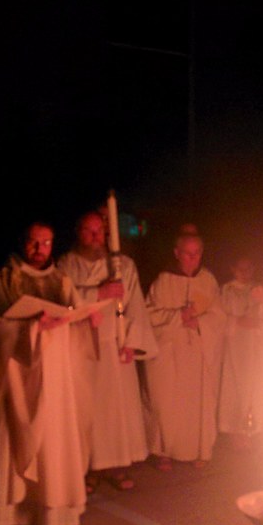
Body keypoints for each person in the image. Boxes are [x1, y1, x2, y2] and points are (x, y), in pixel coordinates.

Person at [0, 222, 89, 525]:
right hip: (17, 376)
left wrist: (82, 319)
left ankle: (53, 511)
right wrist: (33, 327)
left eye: (46, 242)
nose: (40, 249)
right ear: (22, 242)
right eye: (33, 242)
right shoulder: (3, 279)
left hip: (55, 373)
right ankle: (16, 513)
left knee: (53, 440)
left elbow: (76, 316)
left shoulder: (61, 281)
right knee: (16, 438)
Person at [57, 209, 158, 492]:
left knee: (117, 410)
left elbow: (135, 303)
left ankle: (117, 465)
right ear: (78, 233)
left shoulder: (123, 265)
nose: (95, 237)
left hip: (115, 345)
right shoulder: (66, 264)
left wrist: (132, 342)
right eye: (89, 231)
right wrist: (97, 294)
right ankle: (89, 467)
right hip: (82, 347)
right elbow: (62, 299)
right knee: (89, 410)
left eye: (99, 231)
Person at [143, 232, 226, 470]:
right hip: (170, 352)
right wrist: (177, 317)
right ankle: (164, 451)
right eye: (187, 253)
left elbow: (219, 315)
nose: (192, 258)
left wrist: (200, 323)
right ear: (177, 253)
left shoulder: (208, 280)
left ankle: (200, 448)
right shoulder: (163, 282)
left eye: (197, 253)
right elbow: (149, 315)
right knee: (166, 401)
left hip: (199, 351)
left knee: (200, 402)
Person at [218, 255, 263, 450]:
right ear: (233, 269)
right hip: (235, 346)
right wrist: (237, 322)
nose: (245, 273)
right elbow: (218, 317)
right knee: (235, 385)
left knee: (255, 386)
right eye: (241, 269)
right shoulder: (226, 290)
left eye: (249, 268)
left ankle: (253, 431)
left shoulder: (259, 290)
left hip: (256, 347)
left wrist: (259, 324)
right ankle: (235, 430)